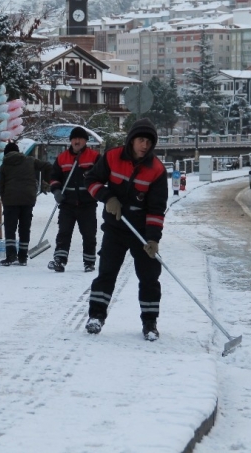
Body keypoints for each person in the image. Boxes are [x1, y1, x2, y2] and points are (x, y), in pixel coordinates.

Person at [83, 118, 168, 341]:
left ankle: (150, 322)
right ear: (131, 140)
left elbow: (157, 209)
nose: (145, 146)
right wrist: (107, 197)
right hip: (116, 228)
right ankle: (96, 316)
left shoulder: (157, 170)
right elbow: (91, 180)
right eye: (141, 140)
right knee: (107, 273)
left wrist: (153, 239)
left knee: (150, 277)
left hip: (141, 232)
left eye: (149, 142)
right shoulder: (112, 157)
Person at [48, 126, 100, 273]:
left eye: (80, 139)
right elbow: (54, 178)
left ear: (85, 141)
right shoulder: (62, 158)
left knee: (89, 234)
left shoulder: (94, 157)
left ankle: (89, 262)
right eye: (74, 139)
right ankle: (60, 260)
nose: (77, 141)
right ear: (71, 141)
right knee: (64, 232)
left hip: (87, 204)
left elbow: (102, 177)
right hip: (67, 204)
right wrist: (56, 191)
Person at [0, 141, 52, 266]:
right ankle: (22, 257)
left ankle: (11, 256)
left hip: (11, 200)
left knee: (10, 228)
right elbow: (48, 166)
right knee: (24, 228)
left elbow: (2, 185)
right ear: (18, 152)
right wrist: (47, 181)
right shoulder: (30, 160)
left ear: (6, 153)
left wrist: (5, 199)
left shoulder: (5, 165)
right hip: (28, 199)